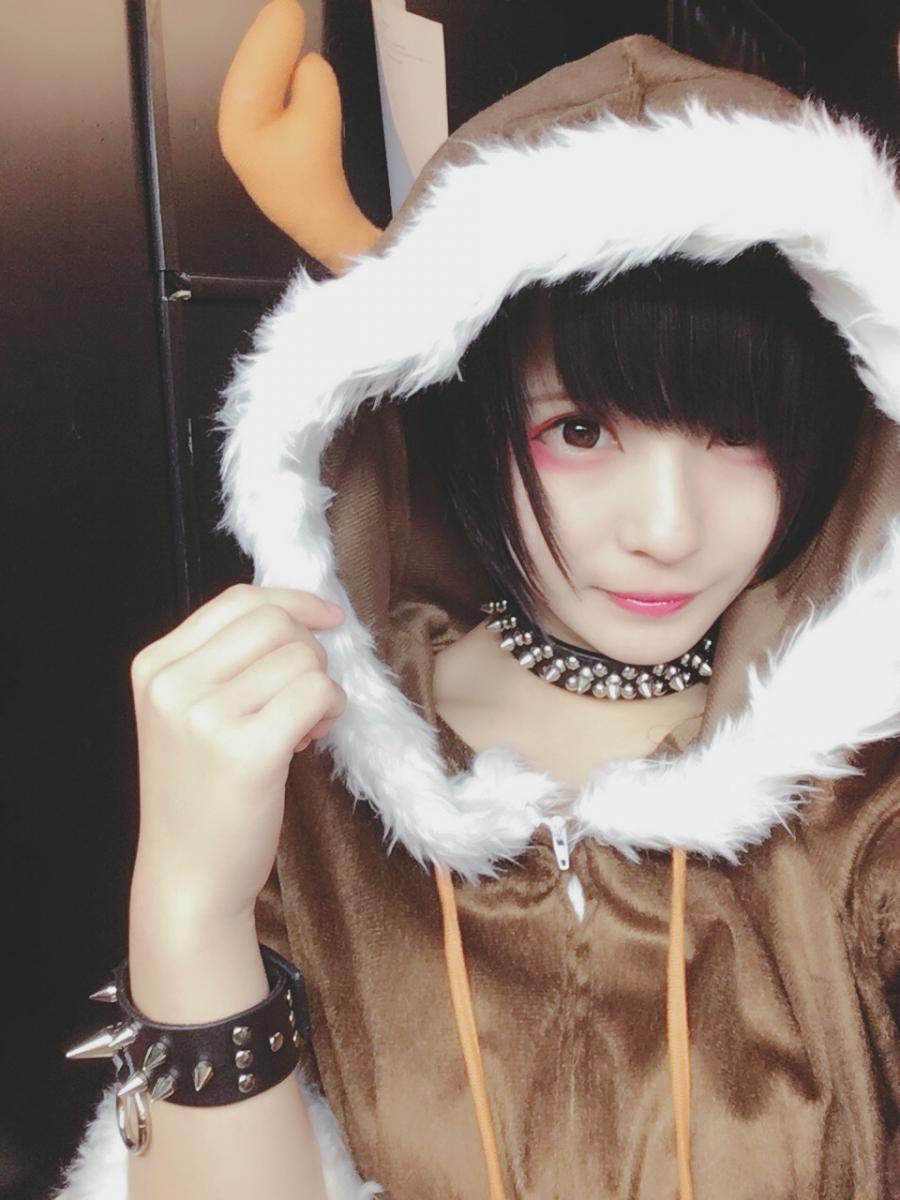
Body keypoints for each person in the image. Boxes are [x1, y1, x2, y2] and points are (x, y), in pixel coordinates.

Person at [55, 27, 900, 1200]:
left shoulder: (863, 793)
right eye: (580, 430)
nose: (668, 527)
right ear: (460, 429)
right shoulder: (318, 770)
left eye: (737, 434)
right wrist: (186, 911)